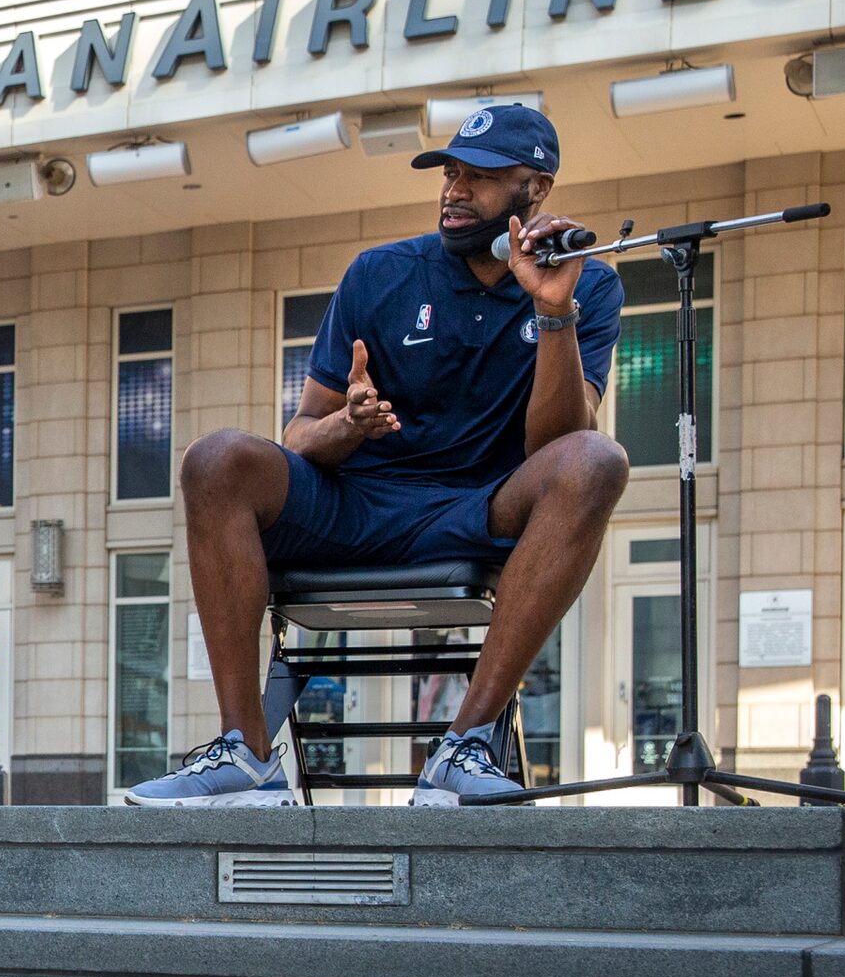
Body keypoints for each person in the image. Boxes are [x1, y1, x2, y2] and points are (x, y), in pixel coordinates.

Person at [129, 104, 629, 809]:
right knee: (215, 460)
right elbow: (299, 437)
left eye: (479, 178)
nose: (454, 190)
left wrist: (551, 311)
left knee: (595, 461)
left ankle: (463, 744)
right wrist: (348, 424)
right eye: (450, 172)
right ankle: (245, 753)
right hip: (356, 503)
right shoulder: (378, 274)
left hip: (475, 507)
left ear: (534, 189)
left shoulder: (589, 285)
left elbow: (554, 448)